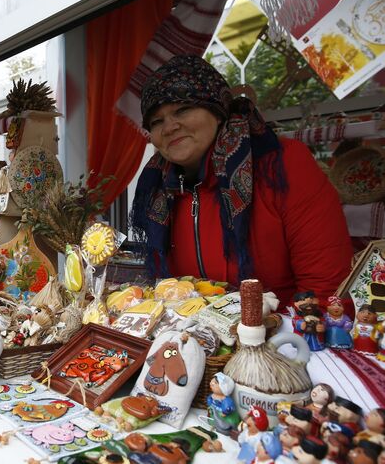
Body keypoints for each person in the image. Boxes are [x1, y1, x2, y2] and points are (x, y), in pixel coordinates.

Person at [131, 55, 352, 311]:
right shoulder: (158, 189)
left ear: (217, 111)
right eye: (156, 121)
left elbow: (326, 292)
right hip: (196, 341)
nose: (169, 127)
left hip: (282, 339)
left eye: (182, 109)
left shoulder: (281, 165)